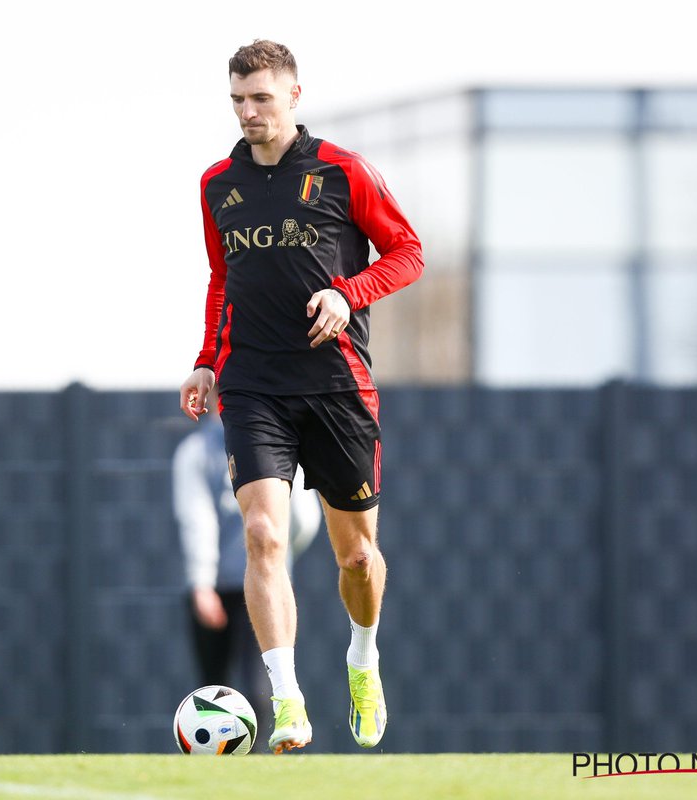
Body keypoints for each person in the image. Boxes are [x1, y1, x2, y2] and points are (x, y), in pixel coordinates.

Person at [178, 40, 424, 753]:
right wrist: (205, 363)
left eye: (261, 98)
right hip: (254, 385)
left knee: (357, 561)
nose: (248, 112)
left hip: (338, 384)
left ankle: (362, 661)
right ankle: (287, 702)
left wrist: (349, 294)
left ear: (293, 96)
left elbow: (407, 251)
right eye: (237, 100)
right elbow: (221, 282)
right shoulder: (217, 184)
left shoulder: (345, 172)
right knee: (262, 534)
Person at [172, 390, 321, 733]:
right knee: (210, 691)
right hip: (218, 588)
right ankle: (213, 768)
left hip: (266, 588)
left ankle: (261, 764)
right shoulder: (196, 453)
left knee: (258, 690)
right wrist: (202, 584)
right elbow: (196, 519)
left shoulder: (278, 446)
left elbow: (302, 516)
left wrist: (279, 559)